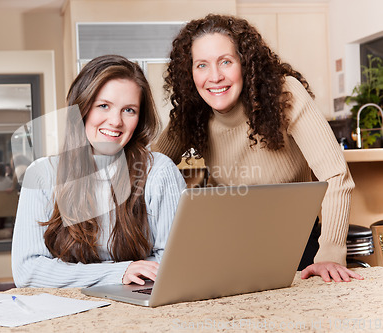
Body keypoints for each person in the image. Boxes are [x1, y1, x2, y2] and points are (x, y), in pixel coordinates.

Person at [153, 14, 363, 283]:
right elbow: (150, 167)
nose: (214, 77)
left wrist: (331, 253)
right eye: (201, 65)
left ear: (246, 63)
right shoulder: (190, 114)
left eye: (225, 62)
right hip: (226, 241)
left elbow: (335, 176)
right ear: (189, 73)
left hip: (294, 238)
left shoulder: (284, 94)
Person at [11, 55, 186, 288]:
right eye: (103, 106)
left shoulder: (159, 171)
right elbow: (28, 271)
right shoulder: (42, 174)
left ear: (140, 119)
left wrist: (71, 275)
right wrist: (118, 272)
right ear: (81, 108)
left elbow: (175, 264)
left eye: (129, 110)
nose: (115, 121)